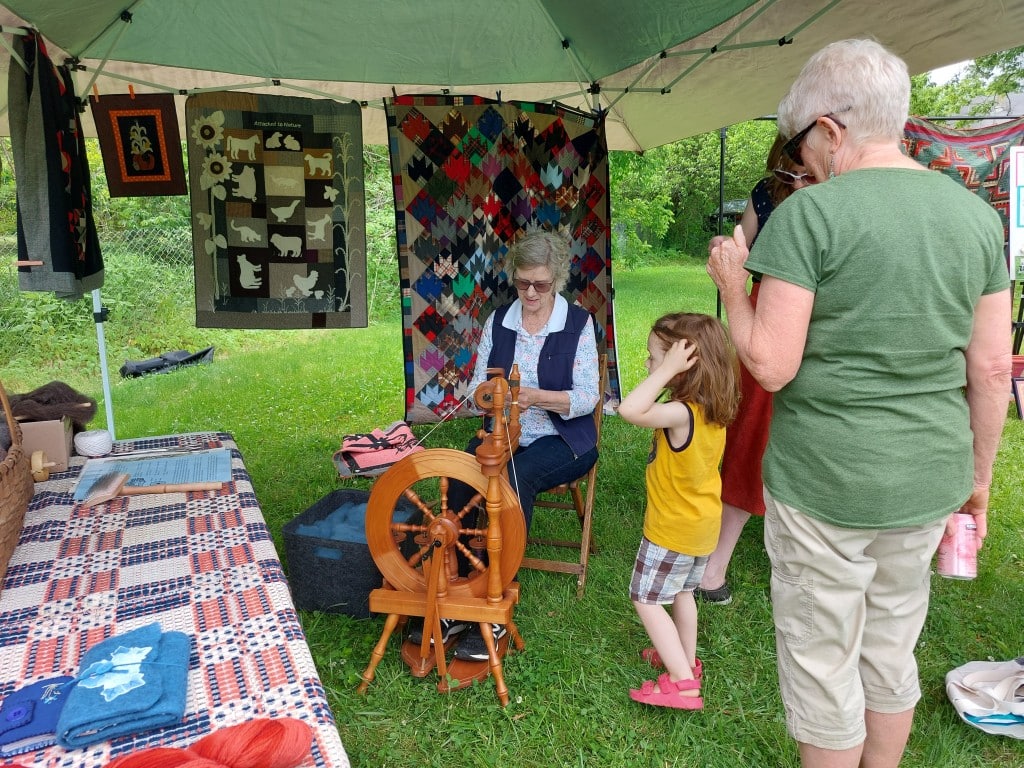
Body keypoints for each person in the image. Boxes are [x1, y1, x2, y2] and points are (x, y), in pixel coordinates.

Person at [707, 39, 1010, 767]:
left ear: (832, 129)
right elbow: (994, 368)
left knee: (823, 663)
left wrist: (730, 285)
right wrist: (979, 478)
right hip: (928, 480)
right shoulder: (976, 218)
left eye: (800, 141)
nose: (800, 159)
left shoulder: (814, 216)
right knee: (891, 646)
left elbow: (770, 365)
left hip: (826, 486)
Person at [407, 230, 601, 662]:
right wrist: (487, 395)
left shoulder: (578, 324)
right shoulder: (500, 321)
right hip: (504, 433)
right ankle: (455, 591)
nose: (531, 292)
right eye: (522, 283)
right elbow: (480, 383)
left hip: (564, 437)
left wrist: (535, 396)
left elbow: (588, 396)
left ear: (558, 281)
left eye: (541, 285)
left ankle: (494, 599)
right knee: (460, 481)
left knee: (515, 478)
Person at [697, 134, 813, 605]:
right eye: (791, 169)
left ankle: (807, 549)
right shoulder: (767, 192)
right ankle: (713, 567)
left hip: (826, 318)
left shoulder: (848, 189)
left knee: (810, 432)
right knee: (752, 433)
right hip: (770, 310)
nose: (799, 177)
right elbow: (739, 247)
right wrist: (726, 252)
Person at [617, 312, 740, 710]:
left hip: (672, 530)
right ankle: (685, 660)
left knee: (646, 598)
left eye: (655, 359)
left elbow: (629, 409)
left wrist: (665, 370)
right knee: (683, 592)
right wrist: (668, 369)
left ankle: (683, 683)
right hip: (703, 527)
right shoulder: (711, 409)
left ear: (683, 366)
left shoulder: (682, 413)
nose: (649, 366)